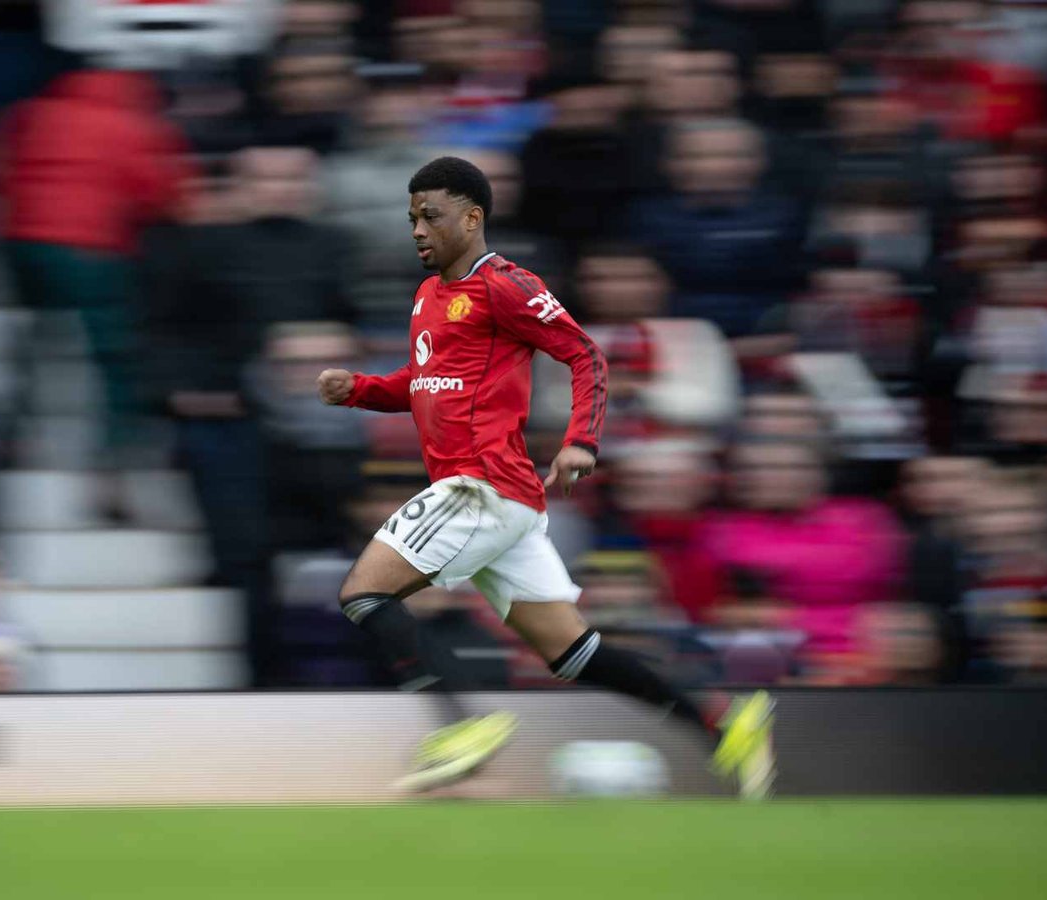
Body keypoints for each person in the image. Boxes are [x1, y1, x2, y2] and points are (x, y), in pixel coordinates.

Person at [316, 157, 774, 796]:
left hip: (480, 487)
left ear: (472, 218)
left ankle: (457, 728)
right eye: (412, 218)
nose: (417, 230)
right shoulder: (429, 296)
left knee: (364, 593)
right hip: (501, 502)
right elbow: (425, 385)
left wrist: (581, 441)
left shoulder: (507, 284)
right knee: (572, 653)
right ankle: (723, 722)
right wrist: (361, 389)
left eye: (431, 216)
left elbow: (584, 353)